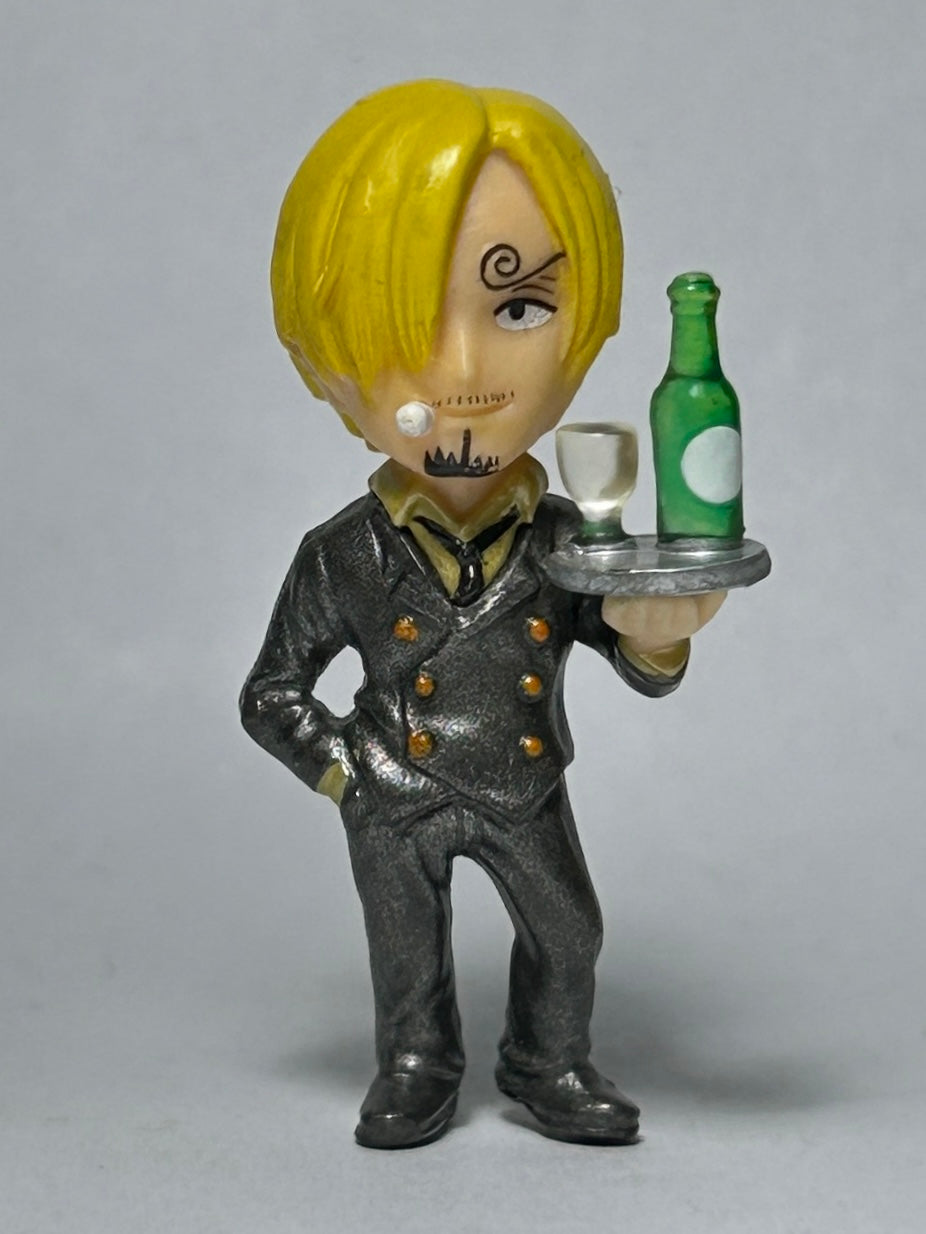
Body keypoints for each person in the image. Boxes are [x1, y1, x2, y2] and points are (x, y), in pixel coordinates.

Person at [241, 79, 725, 1149]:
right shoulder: (341, 554)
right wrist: (347, 773)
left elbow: (622, 638)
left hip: (522, 779)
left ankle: (547, 1057)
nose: (464, 375)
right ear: (325, 353)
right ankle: (416, 1062)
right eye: (410, 323)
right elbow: (271, 691)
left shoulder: (568, 538)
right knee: (404, 946)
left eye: (518, 309)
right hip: (396, 788)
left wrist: (658, 638)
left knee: (571, 931)